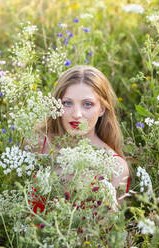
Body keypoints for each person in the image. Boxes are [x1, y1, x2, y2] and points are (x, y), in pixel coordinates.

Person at [32, 65, 130, 203]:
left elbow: (106, 223)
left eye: (87, 104)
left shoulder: (116, 168)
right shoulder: (39, 143)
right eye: (67, 103)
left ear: (102, 108)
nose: (77, 114)